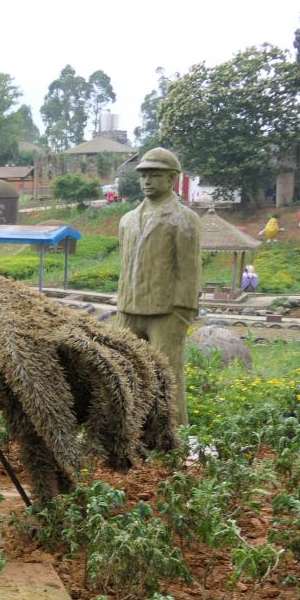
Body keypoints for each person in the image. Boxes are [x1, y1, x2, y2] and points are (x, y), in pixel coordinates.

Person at [115, 147, 201, 425]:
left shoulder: (184, 219)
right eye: (143, 175)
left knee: (168, 375)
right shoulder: (127, 220)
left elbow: (189, 269)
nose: (147, 181)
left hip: (166, 312)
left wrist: (183, 312)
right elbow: (125, 266)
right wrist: (120, 305)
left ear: (172, 178)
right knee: (122, 373)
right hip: (128, 309)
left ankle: (174, 437)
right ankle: (126, 433)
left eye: (155, 175)